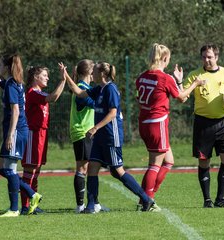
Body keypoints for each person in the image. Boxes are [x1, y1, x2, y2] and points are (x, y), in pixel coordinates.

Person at [61, 61, 157, 213]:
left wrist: (95, 127)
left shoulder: (110, 89)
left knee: (117, 171)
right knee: (92, 168)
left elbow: (113, 113)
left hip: (111, 135)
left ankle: (146, 199)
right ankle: (91, 205)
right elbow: (79, 92)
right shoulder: (99, 88)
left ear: (103, 74)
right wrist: (66, 76)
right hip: (99, 137)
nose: (92, 74)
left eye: (95, 71)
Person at [135, 43, 206, 208]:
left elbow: (139, 98)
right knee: (154, 164)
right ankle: (145, 201)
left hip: (144, 123)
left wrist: (179, 81)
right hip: (157, 123)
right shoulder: (164, 78)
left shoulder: (142, 76)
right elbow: (182, 98)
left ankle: (148, 197)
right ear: (165, 59)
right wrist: (195, 84)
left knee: (169, 161)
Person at [183, 43, 224, 208]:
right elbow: (182, 95)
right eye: (204, 57)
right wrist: (180, 81)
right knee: (204, 161)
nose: (207, 60)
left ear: (216, 57)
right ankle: (207, 200)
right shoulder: (195, 75)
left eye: (210, 57)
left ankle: (220, 198)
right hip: (203, 123)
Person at [0, 53, 43, 217]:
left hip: (16, 131)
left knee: (9, 169)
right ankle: (32, 194)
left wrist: (10, 135)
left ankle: (14, 209)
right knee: (2, 170)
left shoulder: (11, 85)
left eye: (1, 65)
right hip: (15, 130)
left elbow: (16, 111)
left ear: (8, 67)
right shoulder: (11, 82)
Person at [19, 66, 66, 214]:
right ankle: (25, 206)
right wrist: (63, 79)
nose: (47, 78)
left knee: (36, 170)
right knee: (29, 170)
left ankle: (34, 204)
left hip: (41, 134)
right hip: (33, 134)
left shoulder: (39, 93)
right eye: (44, 75)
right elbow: (53, 98)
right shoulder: (32, 93)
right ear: (35, 77)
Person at [68, 60, 108, 214]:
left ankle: (94, 203)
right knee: (82, 168)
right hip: (82, 133)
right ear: (90, 73)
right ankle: (80, 206)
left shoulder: (85, 88)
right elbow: (94, 104)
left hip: (88, 133)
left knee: (91, 168)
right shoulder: (82, 89)